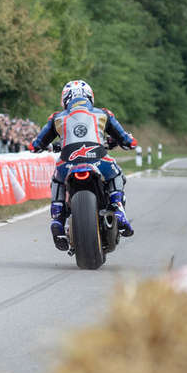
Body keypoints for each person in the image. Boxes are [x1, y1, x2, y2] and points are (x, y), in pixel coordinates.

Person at [30, 79, 137, 250]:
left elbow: (36, 144)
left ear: (65, 99)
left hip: (67, 163)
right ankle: (117, 207)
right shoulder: (103, 114)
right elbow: (126, 140)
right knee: (116, 174)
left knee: (57, 179)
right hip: (99, 160)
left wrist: (37, 146)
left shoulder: (56, 118)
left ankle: (57, 218)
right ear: (89, 96)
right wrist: (129, 141)